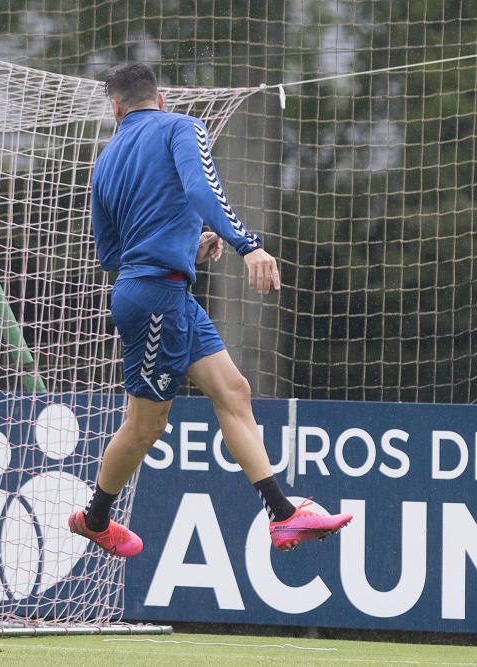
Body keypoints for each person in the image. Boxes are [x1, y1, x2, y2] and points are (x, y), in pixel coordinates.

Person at [69, 64, 352, 558]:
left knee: (233, 390)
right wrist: (248, 245)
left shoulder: (105, 159)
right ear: (160, 100)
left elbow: (111, 256)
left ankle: (283, 515)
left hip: (161, 290)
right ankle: (94, 519)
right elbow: (202, 189)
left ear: (115, 108)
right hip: (157, 297)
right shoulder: (182, 126)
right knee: (145, 426)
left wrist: (187, 249)